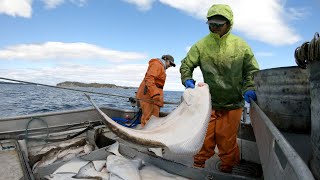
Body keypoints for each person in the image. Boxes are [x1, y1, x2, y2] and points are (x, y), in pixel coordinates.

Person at [180, 4, 259, 173]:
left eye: (218, 24)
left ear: (229, 23)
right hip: (208, 104)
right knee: (203, 140)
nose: (214, 28)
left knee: (227, 142)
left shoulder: (241, 45)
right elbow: (186, 64)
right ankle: (198, 167)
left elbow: (251, 70)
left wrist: (250, 87)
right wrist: (187, 79)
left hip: (233, 104)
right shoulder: (201, 45)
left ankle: (227, 170)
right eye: (211, 24)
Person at [136, 55, 176, 127]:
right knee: (147, 120)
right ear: (166, 60)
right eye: (170, 64)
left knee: (153, 120)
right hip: (148, 97)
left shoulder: (160, 67)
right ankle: (145, 136)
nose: (170, 66)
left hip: (154, 98)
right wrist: (155, 94)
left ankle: (149, 136)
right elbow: (149, 78)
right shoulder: (156, 64)